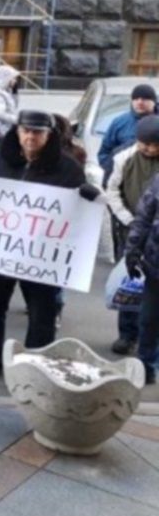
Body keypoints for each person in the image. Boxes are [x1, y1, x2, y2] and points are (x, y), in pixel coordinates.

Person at [0, 111, 95, 381]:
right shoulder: (3, 162)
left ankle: (35, 365)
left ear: (49, 136)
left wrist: (89, 196)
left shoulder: (68, 169)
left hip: (41, 256)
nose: (30, 137)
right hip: (4, 253)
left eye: (37, 132)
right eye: (25, 130)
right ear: (17, 132)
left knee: (42, 312)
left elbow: (79, 212)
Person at [105, 115, 159, 356]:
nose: (148, 148)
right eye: (144, 143)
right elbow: (112, 190)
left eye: (153, 144)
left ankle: (147, 340)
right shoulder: (123, 158)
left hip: (155, 233)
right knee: (129, 282)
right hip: (130, 228)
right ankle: (127, 335)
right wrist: (127, 218)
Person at [123, 147, 159, 385]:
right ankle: (146, 365)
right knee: (149, 319)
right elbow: (144, 217)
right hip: (156, 264)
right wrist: (132, 251)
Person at [98, 84, 157, 182]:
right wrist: (112, 170)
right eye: (136, 98)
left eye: (145, 99)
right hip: (126, 179)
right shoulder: (119, 122)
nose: (140, 102)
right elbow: (105, 152)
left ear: (154, 101)